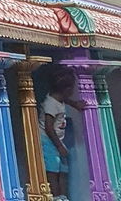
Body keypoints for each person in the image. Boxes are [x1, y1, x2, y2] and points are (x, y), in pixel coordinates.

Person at [42, 70, 84, 200]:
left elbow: (65, 99)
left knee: (63, 169)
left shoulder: (59, 98)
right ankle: (55, 197)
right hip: (48, 141)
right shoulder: (51, 104)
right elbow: (49, 127)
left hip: (58, 140)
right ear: (67, 89)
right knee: (53, 171)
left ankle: (63, 196)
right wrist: (59, 146)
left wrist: (75, 104)